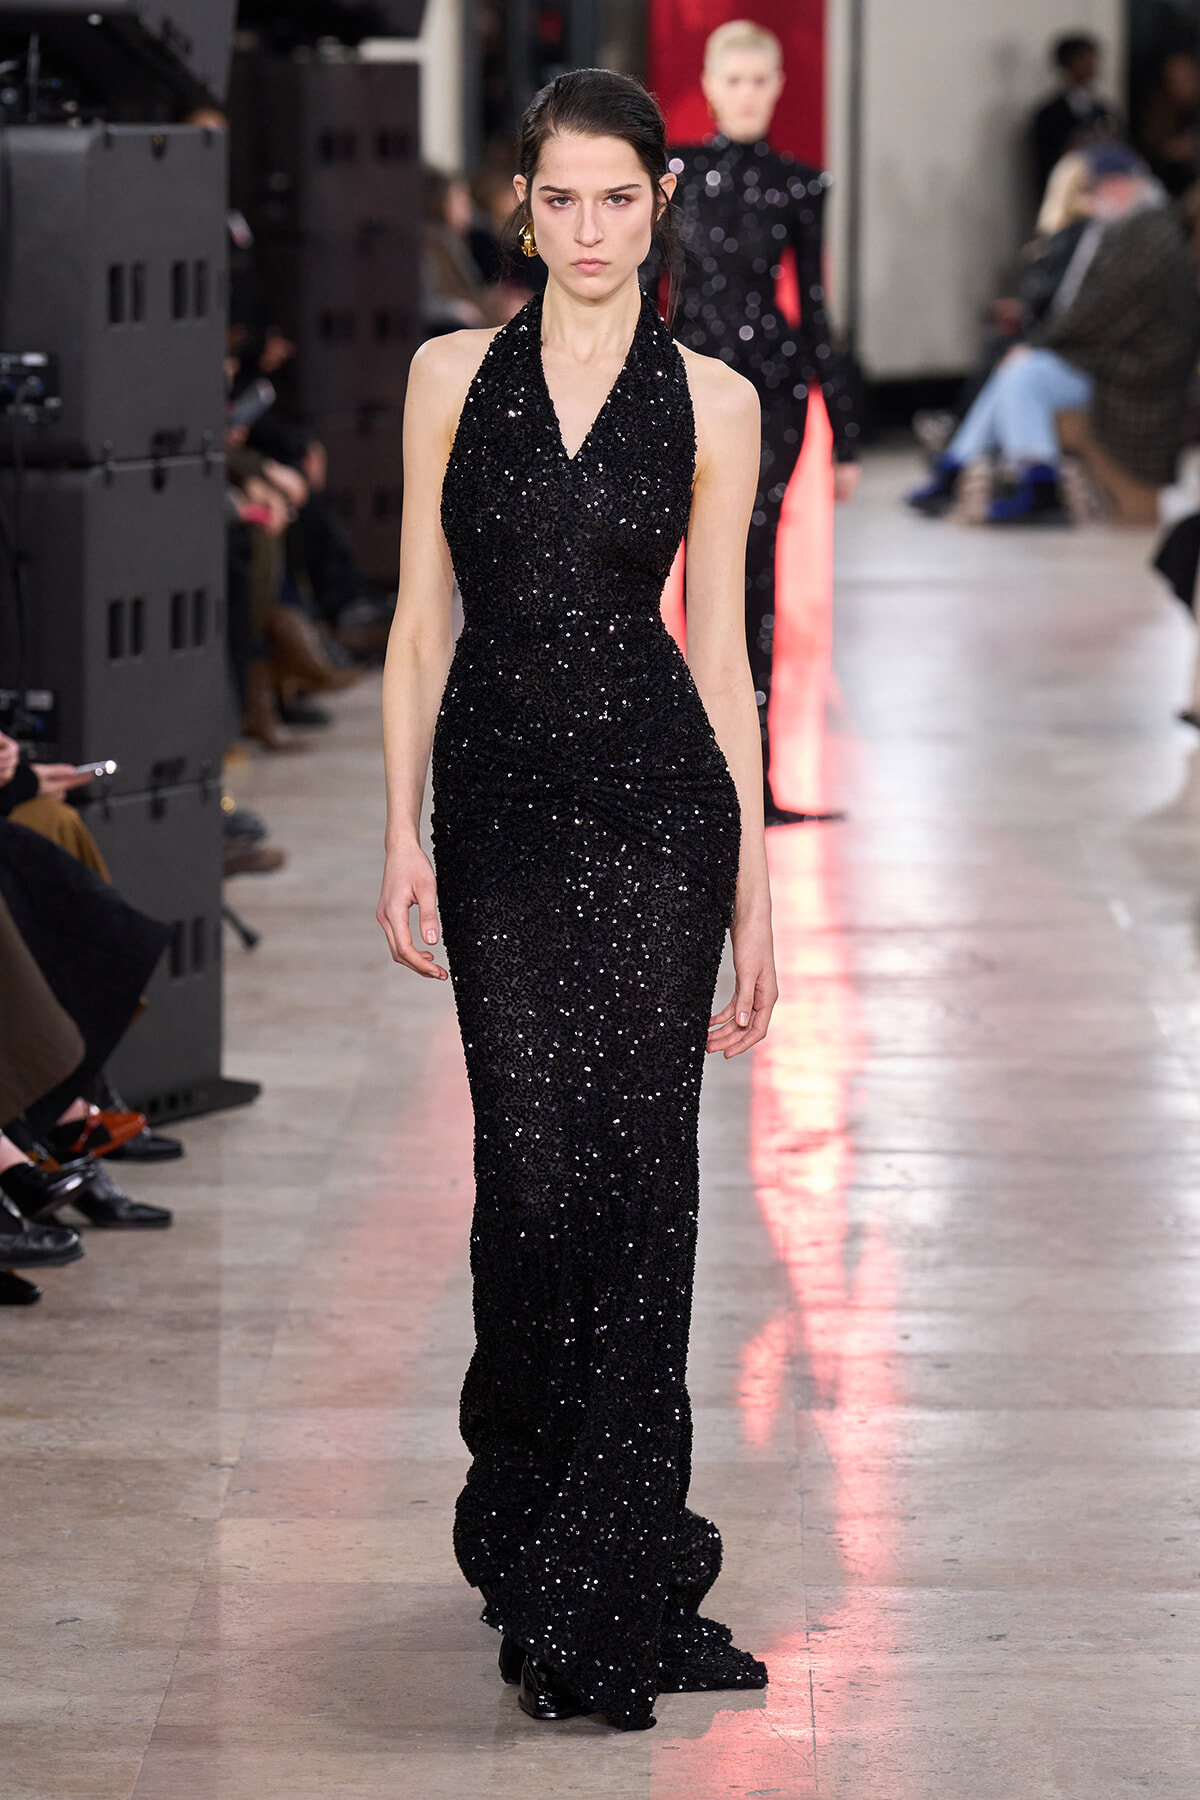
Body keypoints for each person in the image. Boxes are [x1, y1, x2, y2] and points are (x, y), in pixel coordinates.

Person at [376, 67, 776, 1731]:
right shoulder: (447, 377)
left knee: (641, 1180)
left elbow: (731, 665)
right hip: (498, 806)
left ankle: (597, 1563)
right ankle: (529, 1497)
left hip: (659, 804)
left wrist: (764, 900)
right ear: (522, 204)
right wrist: (399, 833)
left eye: (622, 197)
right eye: (564, 198)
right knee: (532, 1173)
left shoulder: (723, 401)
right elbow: (412, 622)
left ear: (660, 199)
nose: (592, 227)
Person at [665, 19, 859, 827]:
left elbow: (813, 308)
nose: (745, 94)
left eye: (759, 80)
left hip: (773, 392)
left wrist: (842, 428)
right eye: (732, 79)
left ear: (778, 86)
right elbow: (652, 295)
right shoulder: (674, 177)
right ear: (708, 85)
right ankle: (689, 774)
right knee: (673, 573)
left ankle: (758, 783)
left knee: (757, 577)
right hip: (690, 387)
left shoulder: (798, 186)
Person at [909, 145, 1200, 523]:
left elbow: (1097, 315)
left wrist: (1035, 347)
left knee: (1024, 375)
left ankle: (1025, 482)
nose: (1089, 199)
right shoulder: (1137, 230)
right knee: (1018, 372)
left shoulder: (1145, 237)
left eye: (1094, 189)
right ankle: (974, 470)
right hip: (1121, 365)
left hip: (1137, 381)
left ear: (1120, 186)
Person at [1030, 33, 1119, 204]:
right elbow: (1045, 164)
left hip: (1102, 199)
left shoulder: (1102, 110)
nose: (1093, 65)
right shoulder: (1049, 115)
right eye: (1085, 58)